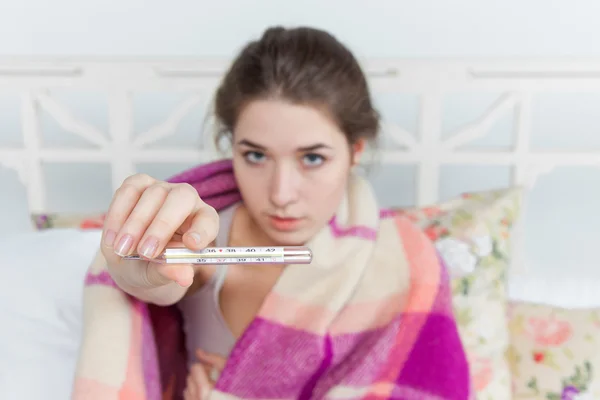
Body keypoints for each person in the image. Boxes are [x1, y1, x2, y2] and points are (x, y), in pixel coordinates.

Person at [91, 26, 471, 400]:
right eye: (255, 155)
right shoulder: (199, 240)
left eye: (312, 158)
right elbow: (151, 284)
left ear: (356, 151)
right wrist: (131, 266)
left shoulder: (406, 262)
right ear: (232, 147)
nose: (281, 193)